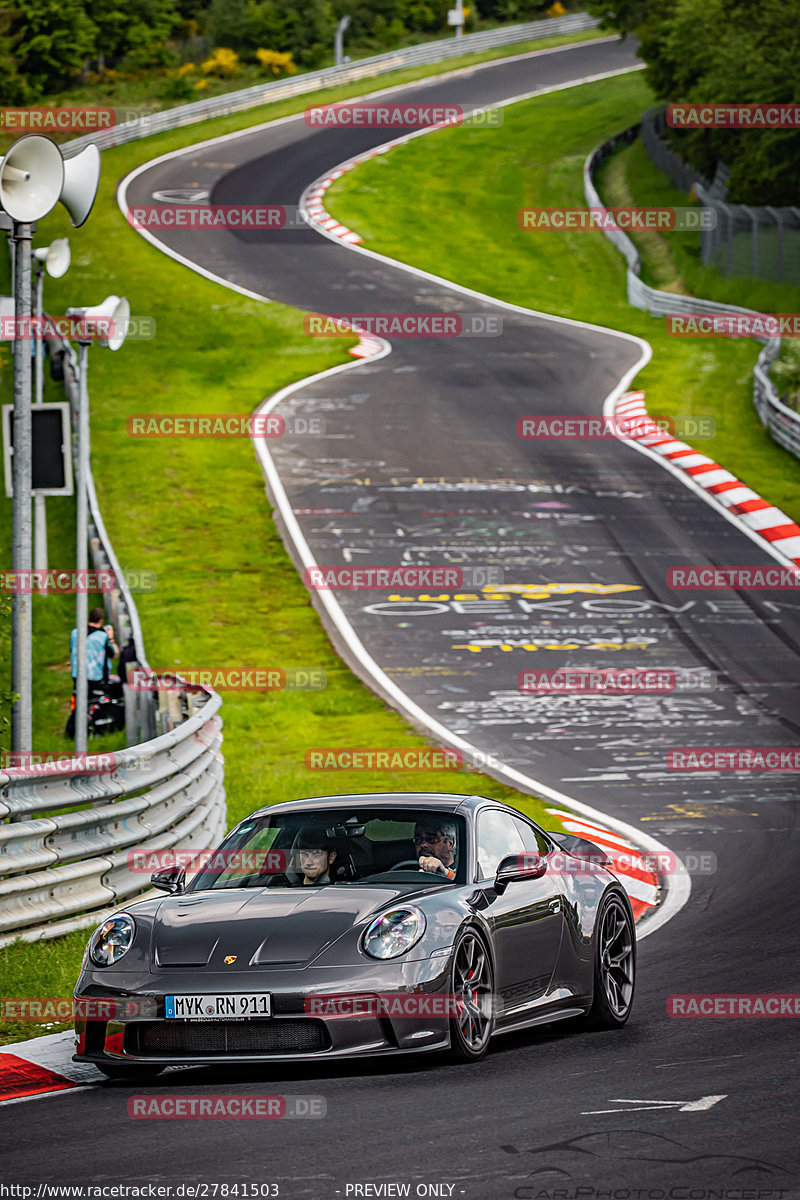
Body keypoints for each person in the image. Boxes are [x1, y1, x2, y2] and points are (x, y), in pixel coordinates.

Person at [66, 609, 119, 737]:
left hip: (77, 675)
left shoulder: (75, 633)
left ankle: (72, 732)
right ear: (101, 620)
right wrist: (110, 637)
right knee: (97, 702)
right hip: (96, 678)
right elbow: (114, 653)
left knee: (78, 703)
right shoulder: (102, 636)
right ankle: (97, 730)